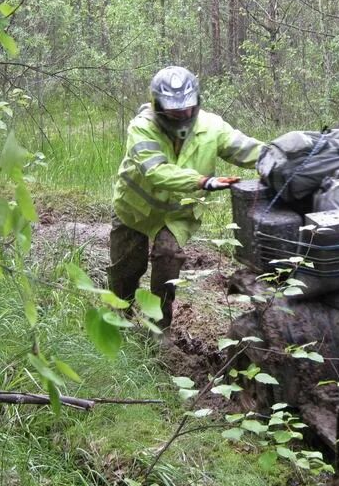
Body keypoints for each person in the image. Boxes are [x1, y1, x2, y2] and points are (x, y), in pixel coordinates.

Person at [109, 65, 264, 327]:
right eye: (174, 108)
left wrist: (279, 156)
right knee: (126, 269)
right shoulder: (142, 127)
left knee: (168, 260)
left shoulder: (211, 126)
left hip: (177, 215)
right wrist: (202, 181)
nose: (182, 113)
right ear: (157, 104)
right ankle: (117, 317)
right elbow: (155, 171)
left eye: (187, 106)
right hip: (134, 210)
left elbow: (245, 149)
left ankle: (159, 327)